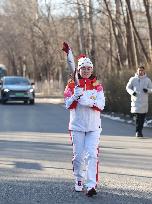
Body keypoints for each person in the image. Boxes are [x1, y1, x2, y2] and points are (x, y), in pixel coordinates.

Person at [64, 55, 105, 197]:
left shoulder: (97, 86)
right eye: (83, 68)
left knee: (92, 155)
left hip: (94, 127)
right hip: (77, 127)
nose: (86, 70)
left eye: (89, 68)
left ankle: (91, 185)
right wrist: (75, 96)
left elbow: (101, 105)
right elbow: (68, 105)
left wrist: (87, 100)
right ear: (78, 70)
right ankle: (78, 179)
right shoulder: (71, 85)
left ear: (92, 70)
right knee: (79, 157)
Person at [126, 66, 152, 137]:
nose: (140, 72)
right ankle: (138, 132)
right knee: (137, 118)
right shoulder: (133, 79)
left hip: (144, 102)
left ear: (144, 71)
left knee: (142, 118)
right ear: (137, 71)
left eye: (142, 70)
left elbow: (151, 89)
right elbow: (127, 88)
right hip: (135, 102)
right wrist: (132, 92)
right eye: (139, 70)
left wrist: (147, 90)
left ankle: (140, 131)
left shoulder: (147, 80)